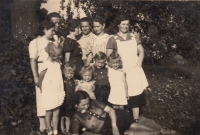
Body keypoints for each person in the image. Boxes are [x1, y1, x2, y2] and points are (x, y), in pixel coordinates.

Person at [70, 91, 177, 135]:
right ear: (76, 105)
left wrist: (114, 125)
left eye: (87, 103)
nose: (87, 106)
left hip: (113, 117)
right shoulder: (76, 118)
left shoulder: (93, 102)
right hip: (105, 129)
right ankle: (158, 133)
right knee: (129, 133)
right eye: (83, 105)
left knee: (132, 124)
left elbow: (110, 110)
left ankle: (161, 131)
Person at [106, 15, 148, 123]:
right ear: (119, 25)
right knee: (123, 93)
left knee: (135, 93)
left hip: (134, 69)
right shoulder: (112, 39)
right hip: (121, 70)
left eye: (127, 24)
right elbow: (109, 56)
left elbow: (141, 51)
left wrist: (139, 64)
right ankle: (123, 118)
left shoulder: (134, 37)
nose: (125, 26)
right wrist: (116, 70)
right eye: (123, 24)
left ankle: (136, 118)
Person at [29, 20, 64, 135]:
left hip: (53, 71)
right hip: (42, 70)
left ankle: (54, 129)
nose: (53, 32)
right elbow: (33, 59)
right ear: (44, 29)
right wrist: (35, 76)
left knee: (53, 100)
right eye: (51, 30)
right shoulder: (36, 42)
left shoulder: (52, 41)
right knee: (43, 99)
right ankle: (44, 127)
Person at [60, 62, 76, 134]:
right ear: (64, 72)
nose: (70, 75)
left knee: (68, 116)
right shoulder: (62, 81)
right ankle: (62, 128)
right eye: (68, 73)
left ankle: (67, 130)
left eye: (72, 73)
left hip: (71, 100)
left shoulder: (74, 81)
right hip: (63, 99)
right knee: (62, 115)